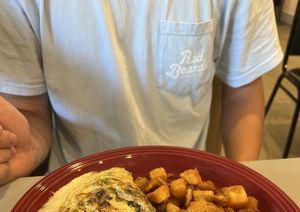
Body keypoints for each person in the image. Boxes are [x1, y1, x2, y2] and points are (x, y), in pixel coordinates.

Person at [0, 0, 282, 185]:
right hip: (76, 188)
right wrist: (13, 148)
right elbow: (30, 114)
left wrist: (245, 188)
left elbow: (243, 91)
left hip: (185, 187)